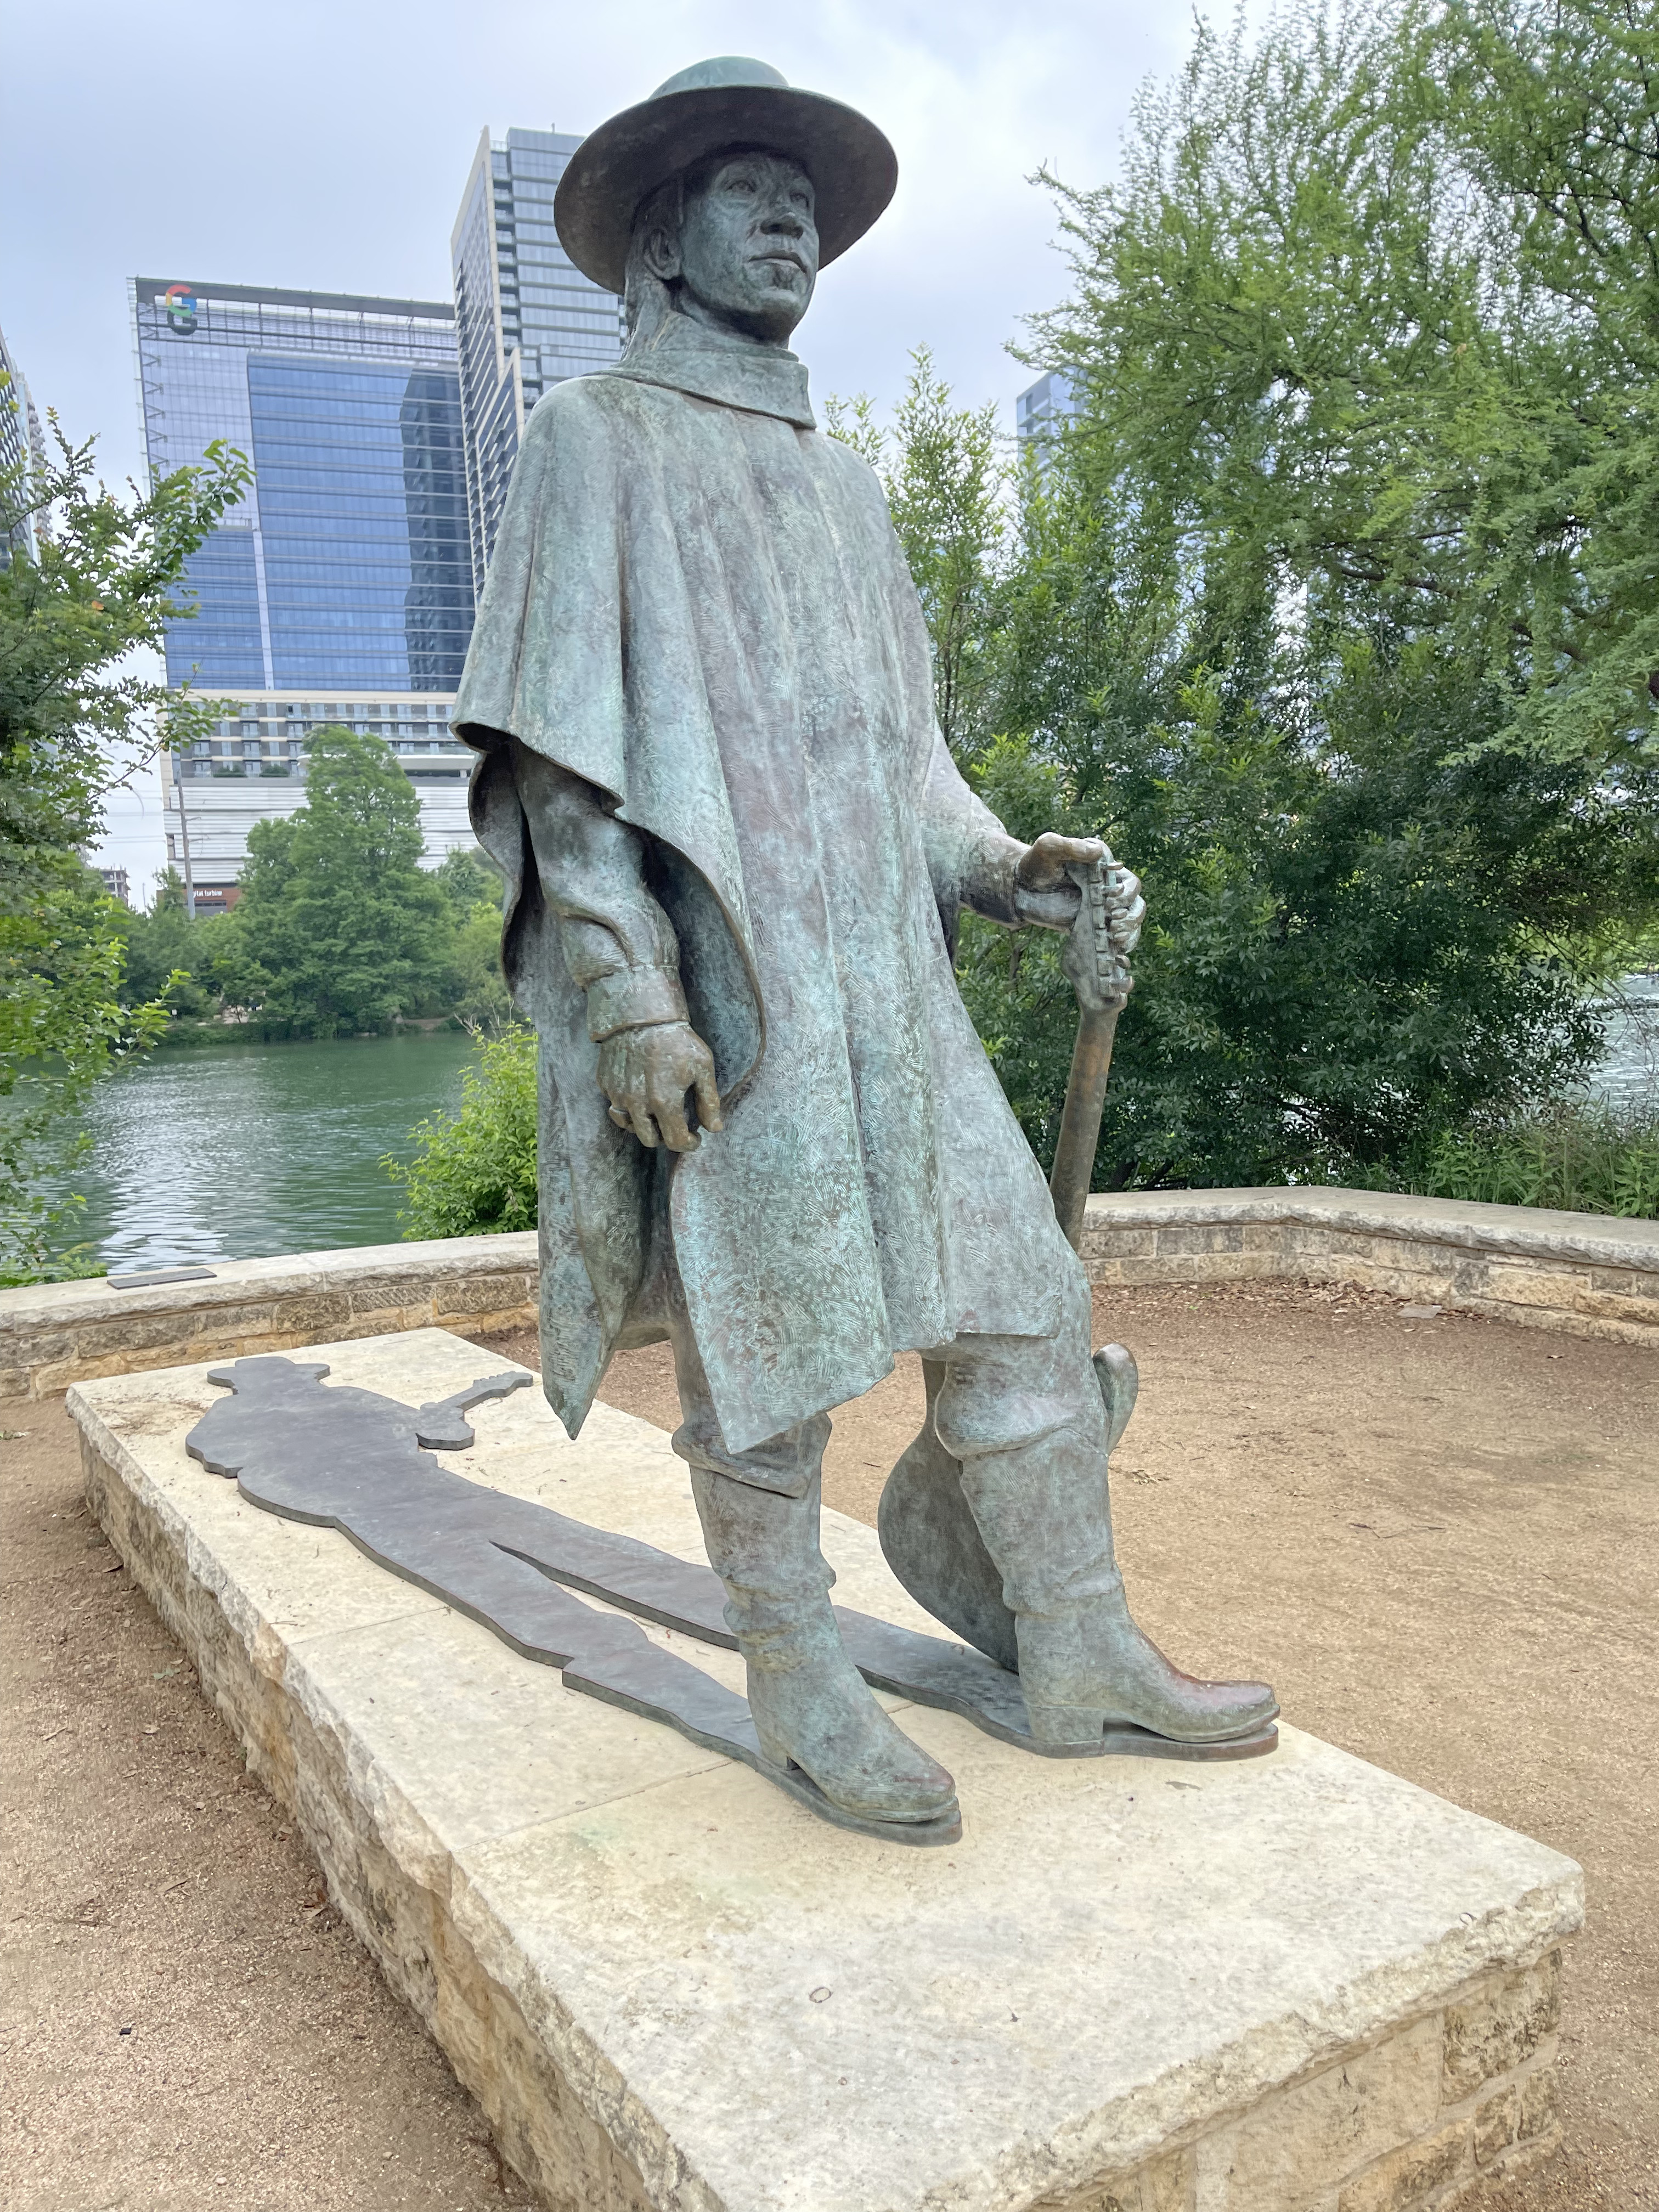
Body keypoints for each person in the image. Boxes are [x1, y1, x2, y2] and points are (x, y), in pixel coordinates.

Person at [454, 58, 1277, 1842]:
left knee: (1025, 1304)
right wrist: (628, 999)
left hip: (892, 997)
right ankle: (797, 1681)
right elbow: (560, 766)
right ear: (659, 237)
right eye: (751, 192)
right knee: (772, 1338)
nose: (791, 223)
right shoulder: (598, 439)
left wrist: (1004, 865)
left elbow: (901, 755)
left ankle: (1076, 1652)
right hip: (738, 989)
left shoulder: (849, 492)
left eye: (806, 204)